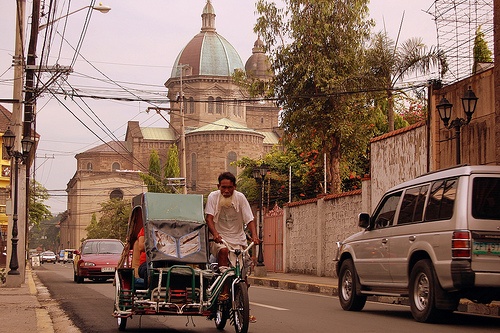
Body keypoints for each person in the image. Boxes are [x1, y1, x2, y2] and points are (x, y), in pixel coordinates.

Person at [205, 171, 259, 322]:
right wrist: (215, 233)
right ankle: (223, 291)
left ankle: (244, 308)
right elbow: (209, 218)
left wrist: (254, 236)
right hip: (219, 238)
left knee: (243, 277)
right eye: (223, 187)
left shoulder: (240, 198)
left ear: (234, 187)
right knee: (222, 251)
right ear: (219, 186)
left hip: (238, 240)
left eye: (229, 188)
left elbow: (250, 219)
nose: (226, 191)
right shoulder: (213, 197)